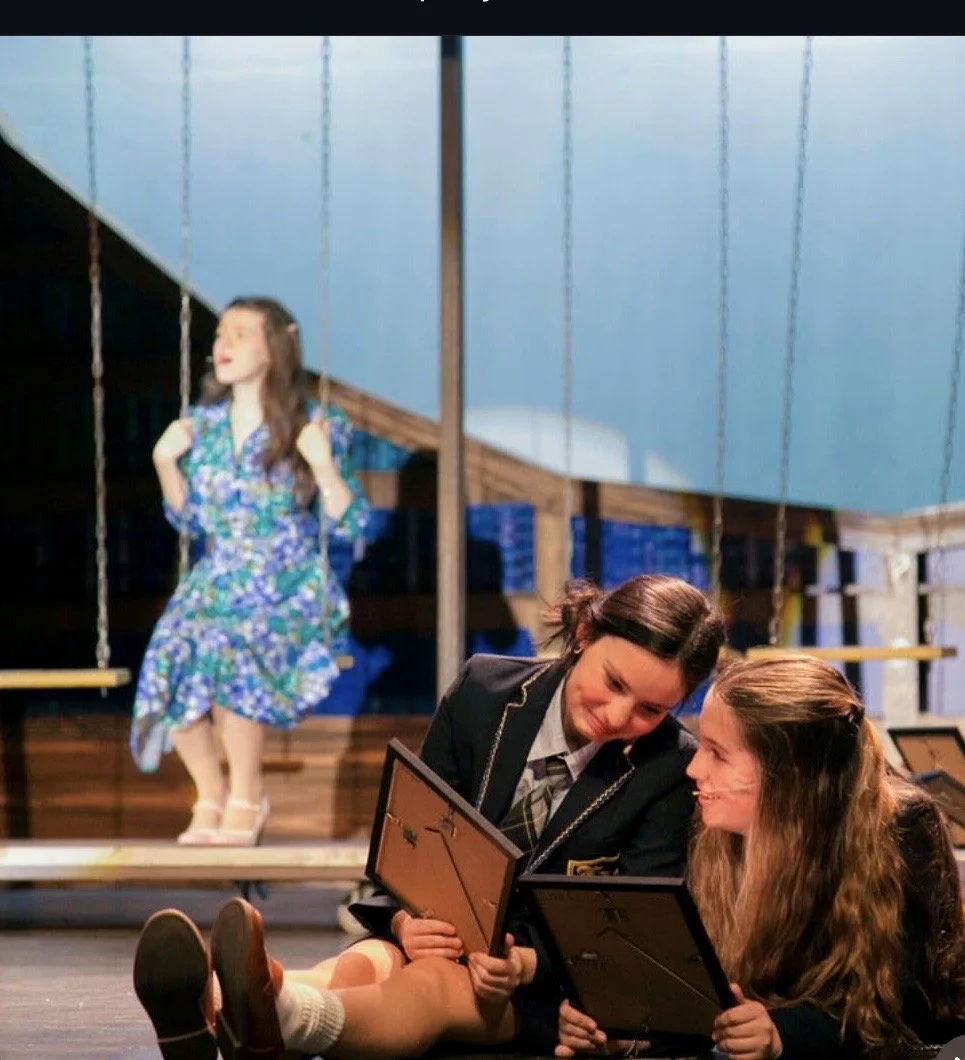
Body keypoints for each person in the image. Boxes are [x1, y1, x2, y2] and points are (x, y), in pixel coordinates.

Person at [131, 573, 727, 1059]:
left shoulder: (668, 768)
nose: (618, 715)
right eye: (613, 682)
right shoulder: (484, 692)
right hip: (437, 935)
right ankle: (212, 1008)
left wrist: (525, 964)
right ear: (583, 632)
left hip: (551, 990)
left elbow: (632, 930)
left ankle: (266, 1016)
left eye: (650, 708)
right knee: (367, 963)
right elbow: (410, 836)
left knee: (430, 986)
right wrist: (404, 923)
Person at [556, 655, 965, 1059]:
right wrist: (625, 1035)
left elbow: (910, 1013)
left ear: (787, 777)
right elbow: (706, 1005)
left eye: (717, 753)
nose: (694, 768)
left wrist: (782, 1035)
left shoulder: (902, 830)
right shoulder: (711, 829)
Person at [130, 295, 369, 846]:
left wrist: (325, 465)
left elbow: (352, 520)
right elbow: (187, 519)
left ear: (275, 346)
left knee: (231, 644)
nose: (223, 344)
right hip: (220, 571)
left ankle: (247, 795)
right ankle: (210, 796)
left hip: (287, 581)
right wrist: (165, 462)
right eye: (220, 334)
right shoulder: (202, 427)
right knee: (171, 652)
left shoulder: (315, 423)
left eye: (240, 333)